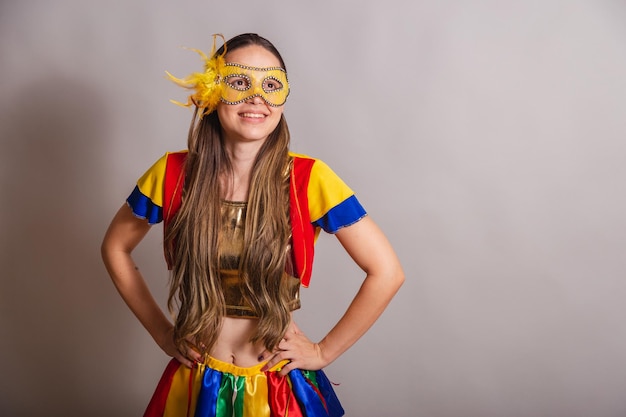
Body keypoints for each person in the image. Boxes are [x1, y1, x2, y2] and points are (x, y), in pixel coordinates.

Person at [101, 33, 404, 417]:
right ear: (213, 92)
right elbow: (114, 247)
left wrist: (324, 351)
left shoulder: (310, 179)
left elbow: (387, 272)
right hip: (198, 384)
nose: (257, 97)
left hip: (276, 390)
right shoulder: (173, 174)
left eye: (271, 85)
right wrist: (162, 333)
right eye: (240, 82)